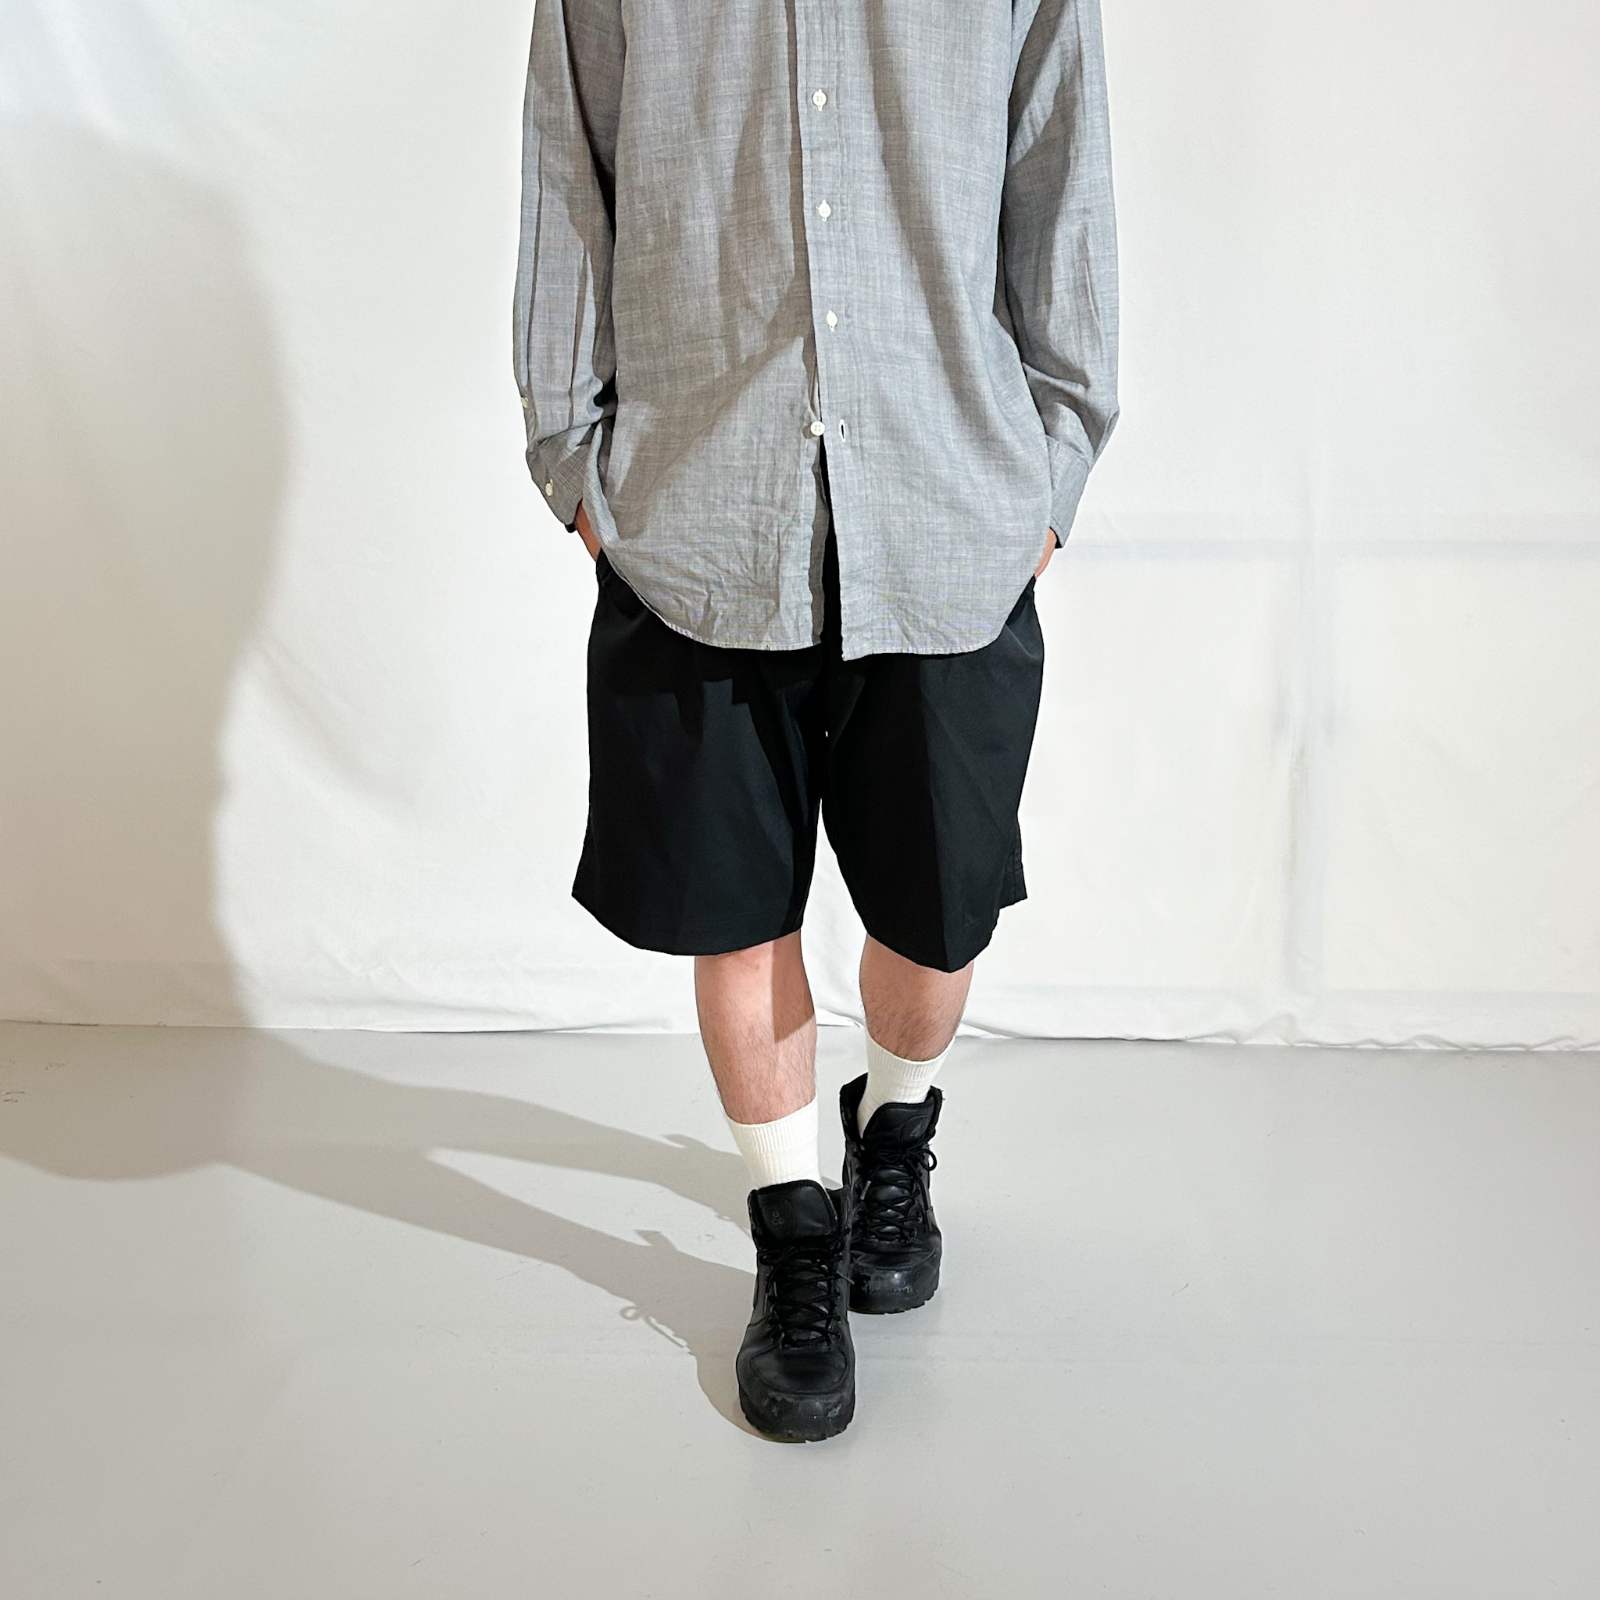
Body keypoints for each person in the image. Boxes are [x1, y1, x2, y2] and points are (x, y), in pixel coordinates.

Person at [514, 0, 1119, 1442]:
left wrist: (1051, 478)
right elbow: (566, 172)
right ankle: (792, 1230)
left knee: (939, 917)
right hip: (699, 511)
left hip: (949, 511)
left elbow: (1063, 185)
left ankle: (891, 1126)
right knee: (737, 915)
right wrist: (576, 466)